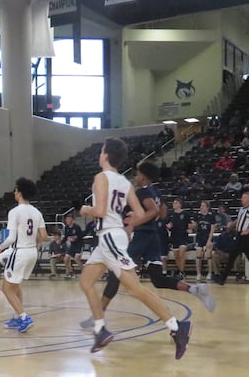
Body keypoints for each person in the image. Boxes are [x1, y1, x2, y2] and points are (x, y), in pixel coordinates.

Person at [78, 137, 191, 359]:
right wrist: (126, 219)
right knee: (86, 282)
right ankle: (100, 330)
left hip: (109, 236)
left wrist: (85, 209)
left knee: (134, 289)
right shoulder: (125, 182)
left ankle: (177, 326)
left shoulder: (101, 177)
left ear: (106, 155)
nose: (100, 154)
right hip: (110, 237)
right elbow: (140, 214)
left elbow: (99, 211)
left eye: (101, 150)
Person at [79, 162, 216, 331]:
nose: (136, 177)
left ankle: (97, 316)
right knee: (157, 279)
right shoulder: (155, 190)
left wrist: (134, 222)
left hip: (141, 237)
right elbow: (163, 211)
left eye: (137, 174)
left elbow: (153, 210)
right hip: (154, 237)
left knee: (116, 275)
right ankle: (195, 289)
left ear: (143, 176)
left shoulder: (142, 191)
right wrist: (150, 218)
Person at [0, 177, 49, 333]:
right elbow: (44, 236)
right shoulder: (37, 212)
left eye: (16, 190)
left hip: (20, 252)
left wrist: (0, 248)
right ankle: (18, 317)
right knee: (15, 285)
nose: (14, 192)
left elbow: (11, 238)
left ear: (20, 192)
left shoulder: (15, 212)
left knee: (6, 288)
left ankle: (24, 317)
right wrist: (32, 241)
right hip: (32, 252)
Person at [215, 191, 249, 285]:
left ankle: (222, 279)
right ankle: (222, 279)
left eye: (244, 198)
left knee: (234, 257)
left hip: (244, 237)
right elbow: (239, 219)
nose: (241, 199)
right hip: (239, 236)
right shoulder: (241, 209)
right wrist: (232, 224)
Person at [166, 198, 192, 279]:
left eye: (175, 203)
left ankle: (181, 271)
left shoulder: (185, 214)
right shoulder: (170, 214)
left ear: (180, 204)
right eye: (173, 203)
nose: (173, 204)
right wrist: (168, 227)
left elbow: (190, 224)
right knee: (176, 256)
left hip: (183, 237)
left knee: (181, 254)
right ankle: (180, 271)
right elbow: (169, 225)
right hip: (174, 237)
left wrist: (190, 228)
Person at [193, 201, 215, 281]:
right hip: (199, 237)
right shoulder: (197, 215)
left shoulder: (211, 216)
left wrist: (209, 241)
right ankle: (198, 274)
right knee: (198, 255)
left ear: (207, 207)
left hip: (208, 237)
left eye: (203, 206)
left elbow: (212, 229)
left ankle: (209, 273)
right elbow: (194, 226)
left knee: (208, 255)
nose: (201, 207)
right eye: (201, 205)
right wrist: (192, 226)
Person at [62, 213, 83, 279]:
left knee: (77, 259)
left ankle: (84, 272)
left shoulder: (77, 227)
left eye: (68, 219)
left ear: (72, 220)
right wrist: (61, 243)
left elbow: (80, 236)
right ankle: (71, 273)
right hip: (72, 246)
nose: (67, 220)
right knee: (65, 259)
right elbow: (66, 237)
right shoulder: (66, 227)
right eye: (66, 219)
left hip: (78, 245)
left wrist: (74, 238)